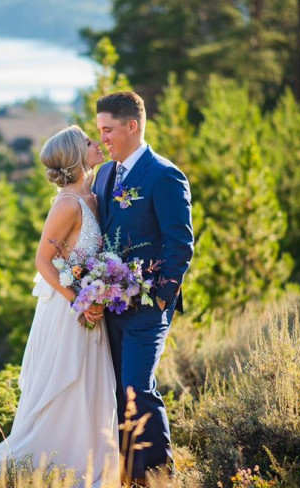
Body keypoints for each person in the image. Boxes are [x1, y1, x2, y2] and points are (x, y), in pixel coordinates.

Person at [0, 125, 119, 488]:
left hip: (90, 304)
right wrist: (81, 300)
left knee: (91, 388)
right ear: (79, 156)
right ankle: (55, 467)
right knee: (68, 386)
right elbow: (43, 262)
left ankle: (94, 462)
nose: (98, 144)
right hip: (68, 310)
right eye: (90, 142)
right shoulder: (67, 204)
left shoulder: (94, 196)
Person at [91, 91, 194, 484]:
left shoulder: (165, 175)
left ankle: (157, 476)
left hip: (148, 308)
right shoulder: (103, 175)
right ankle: (125, 473)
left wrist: (157, 298)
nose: (103, 139)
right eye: (100, 131)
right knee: (113, 391)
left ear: (132, 126)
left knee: (137, 387)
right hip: (109, 308)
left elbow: (180, 245)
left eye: (108, 130)